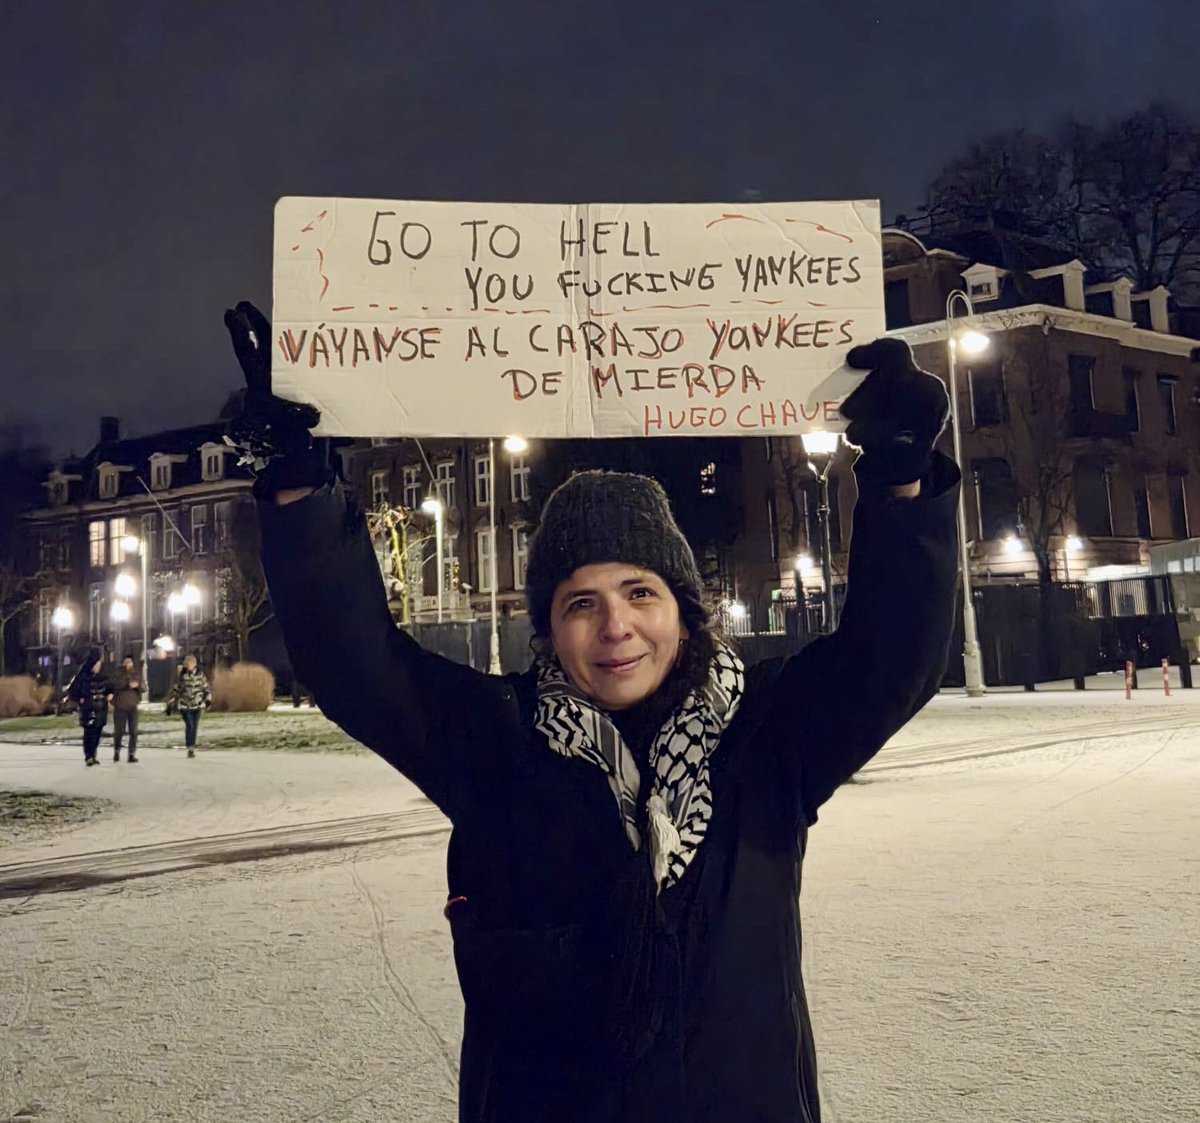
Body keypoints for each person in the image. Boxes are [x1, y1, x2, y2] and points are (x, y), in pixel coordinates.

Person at [226, 301, 960, 1122]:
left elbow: (894, 656)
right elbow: (356, 664)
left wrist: (900, 476)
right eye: (581, 602)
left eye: (639, 592)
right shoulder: (495, 743)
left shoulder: (767, 734)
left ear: (684, 610)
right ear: (548, 628)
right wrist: (299, 487)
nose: (616, 626)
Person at [66, 648, 114, 767]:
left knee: (97, 733)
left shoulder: (103, 676)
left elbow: (110, 687)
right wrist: (80, 698)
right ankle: (88, 755)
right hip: (89, 708)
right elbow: (72, 690)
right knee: (90, 733)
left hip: (101, 708)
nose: (98, 667)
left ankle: (93, 755)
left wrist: (110, 694)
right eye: (96, 664)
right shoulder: (82, 677)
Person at [167, 654, 212, 757]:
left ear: (194, 664)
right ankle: (189, 745)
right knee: (190, 725)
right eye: (186, 663)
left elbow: (206, 689)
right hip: (185, 705)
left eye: (190, 662)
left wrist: (207, 701)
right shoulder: (183, 676)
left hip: (197, 705)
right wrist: (171, 702)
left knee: (194, 726)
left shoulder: (200, 675)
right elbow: (177, 690)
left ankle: (192, 748)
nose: (188, 664)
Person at [109, 654, 143, 762]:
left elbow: (143, 687)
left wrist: (137, 686)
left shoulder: (136, 673)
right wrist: (128, 682)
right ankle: (117, 750)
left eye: (130, 662)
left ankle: (131, 754)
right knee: (119, 730)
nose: (128, 664)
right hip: (120, 706)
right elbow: (116, 685)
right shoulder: (118, 673)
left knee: (133, 731)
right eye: (126, 662)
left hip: (133, 706)